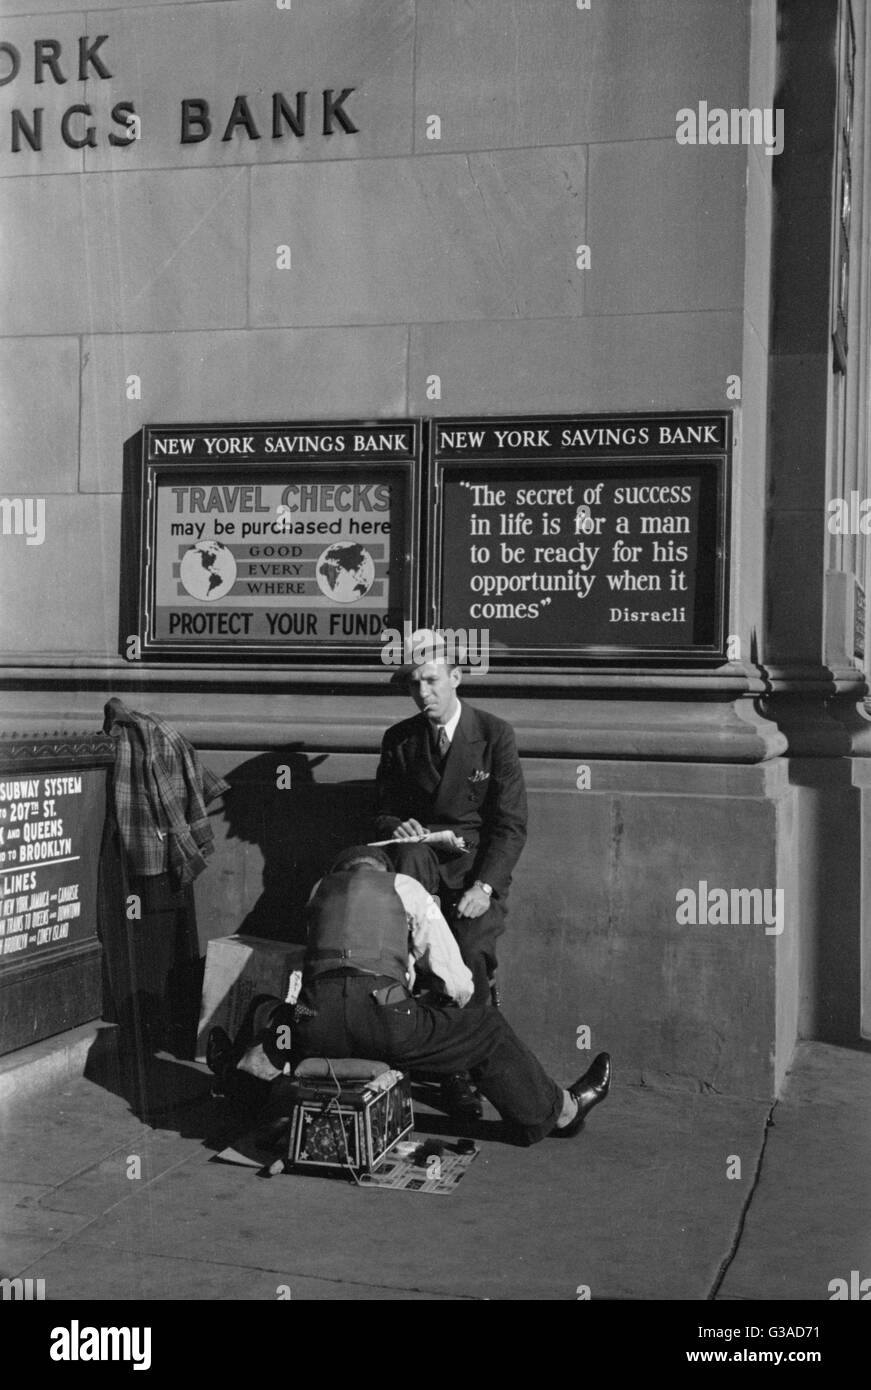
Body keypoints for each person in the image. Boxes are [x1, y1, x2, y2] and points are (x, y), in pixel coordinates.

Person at [245, 847, 610, 1148]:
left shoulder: (320, 890)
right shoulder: (404, 886)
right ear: (383, 870)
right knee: (488, 1029)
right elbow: (457, 982)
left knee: (285, 1017)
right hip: (385, 1020)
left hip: (315, 1026)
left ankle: (250, 1094)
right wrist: (442, 1007)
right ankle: (562, 1112)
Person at [374, 631, 527, 1117]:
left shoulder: (494, 735)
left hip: (474, 874)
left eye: (432, 681)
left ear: (456, 677)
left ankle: (468, 1067)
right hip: (418, 870)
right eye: (414, 684)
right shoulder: (400, 740)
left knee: (470, 949)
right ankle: (434, 1064)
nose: (423, 693)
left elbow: (510, 824)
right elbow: (381, 811)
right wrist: (397, 825)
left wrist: (485, 887)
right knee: (407, 950)